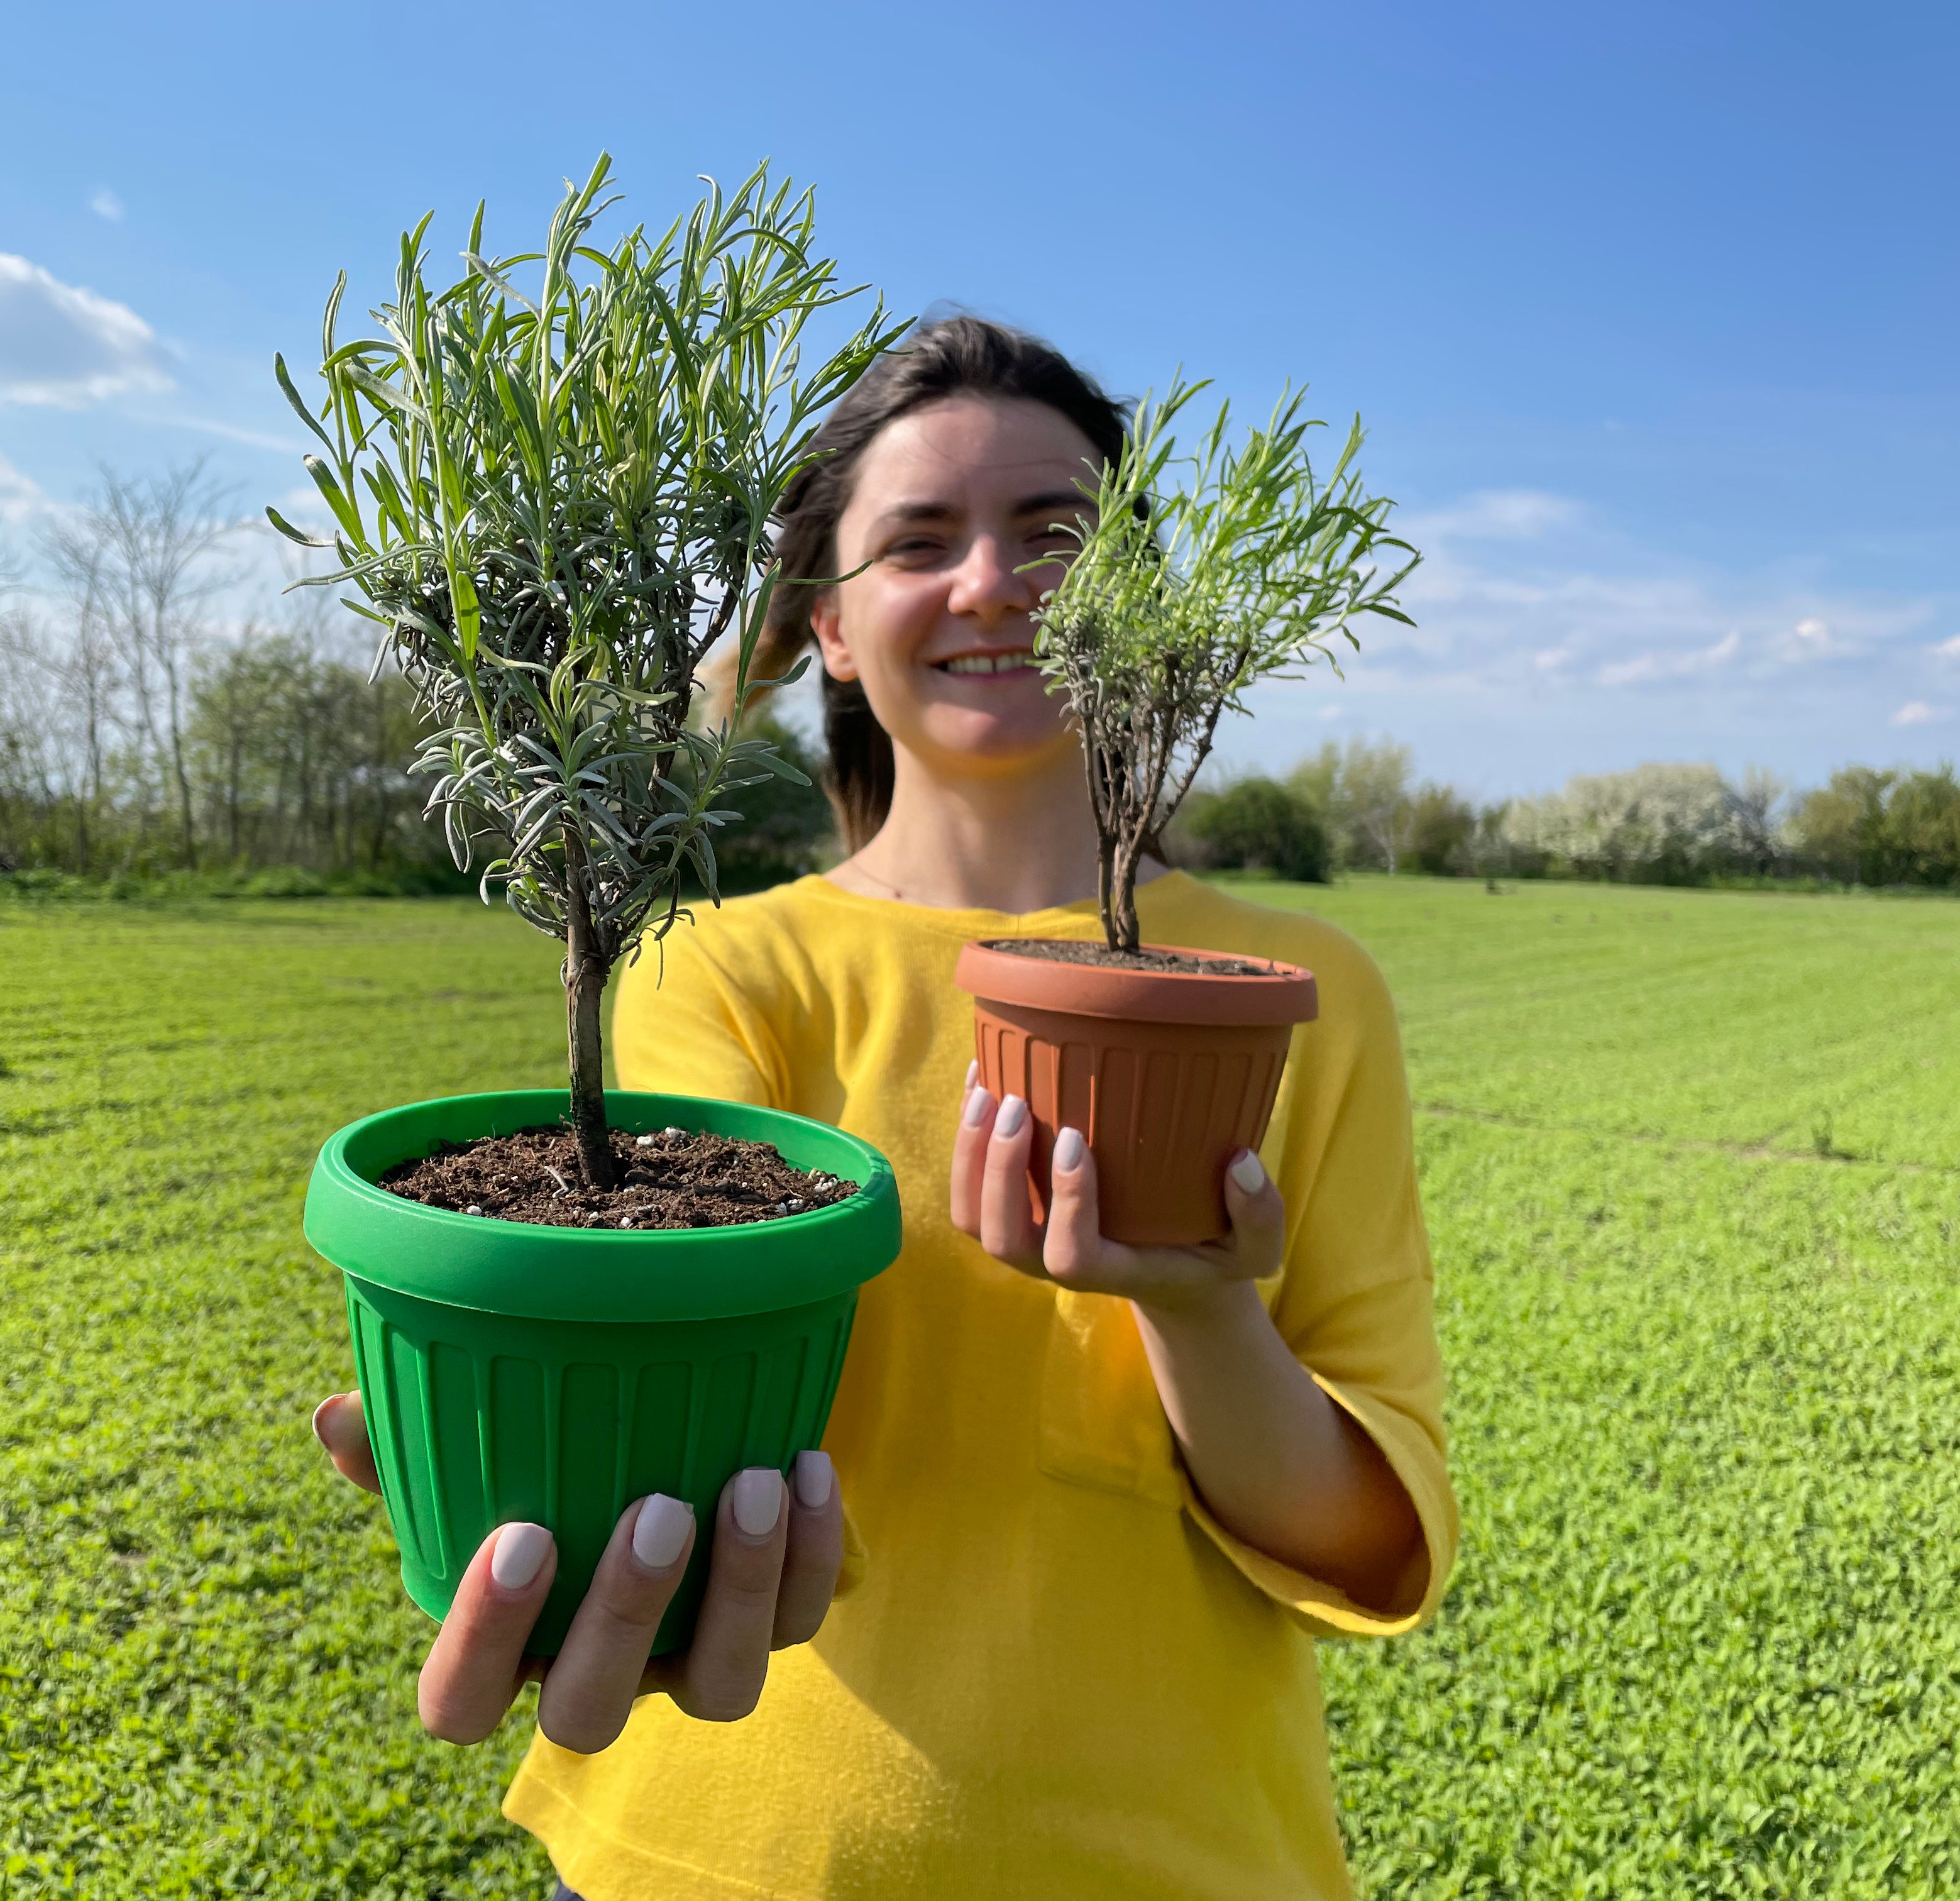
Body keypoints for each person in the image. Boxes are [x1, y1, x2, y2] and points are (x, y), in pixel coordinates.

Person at [311, 315, 1458, 1900]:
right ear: (830, 628)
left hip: (1177, 1859)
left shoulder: (1290, 991)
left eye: (1056, 534)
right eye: (919, 542)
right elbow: (672, 1382)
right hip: (713, 1853)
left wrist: (1202, 1311)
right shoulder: (722, 967)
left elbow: (1364, 1539)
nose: (992, 584)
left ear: (1149, 601)